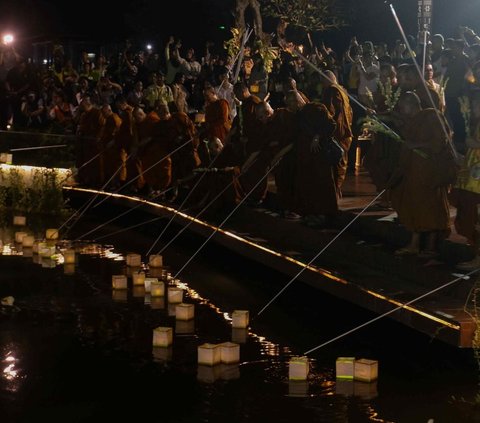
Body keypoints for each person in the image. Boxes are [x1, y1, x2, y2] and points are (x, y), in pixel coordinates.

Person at [389, 92, 458, 256]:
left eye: (402, 106)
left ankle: (430, 246)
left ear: (411, 103)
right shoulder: (414, 120)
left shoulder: (432, 116)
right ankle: (414, 244)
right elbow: (409, 137)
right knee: (414, 204)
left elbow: (441, 141)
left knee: (430, 206)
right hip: (415, 170)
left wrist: (417, 145)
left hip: (430, 171)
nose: (400, 109)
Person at [320, 70, 353, 194]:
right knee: (341, 160)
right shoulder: (342, 91)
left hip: (337, 132)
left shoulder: (331, 91)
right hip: (345, 130)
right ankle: (337, 189)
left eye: (322, 80)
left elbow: (330, 112)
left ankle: (334, 190)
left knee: (335, 161)